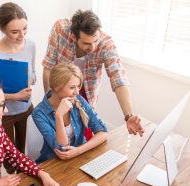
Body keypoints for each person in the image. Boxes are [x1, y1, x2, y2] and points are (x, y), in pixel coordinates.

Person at [42, 10, 144, 138]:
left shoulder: (106, 45)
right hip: (61, 88)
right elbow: (48, 66)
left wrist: (129, 115)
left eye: (95, 41)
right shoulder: (60, 29)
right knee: (59, 132)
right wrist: (50, 101)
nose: (93, 47)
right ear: (74, 37)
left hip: (86, 92)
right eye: (86, 44)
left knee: (84, 134)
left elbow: (118, 79)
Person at [0, 2, 35, 174]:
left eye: (25, 28)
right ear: (1, 29)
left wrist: (30, 80)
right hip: (3, 116)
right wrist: (14, 96)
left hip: (26, 109)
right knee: (10, 160)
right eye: (15, 31)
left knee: (26, 153)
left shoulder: (31, 45)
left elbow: (33, 74)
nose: (22, 35)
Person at [32, 62, 108, 164]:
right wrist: (58, 116)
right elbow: (63, 150)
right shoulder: (39, 113)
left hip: (80, 156)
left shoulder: (78, 99)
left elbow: (102, 132)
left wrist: (78, 150)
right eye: (72, 88)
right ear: (56, 87)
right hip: (54, 162)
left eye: (78, 86)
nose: (77, 92)